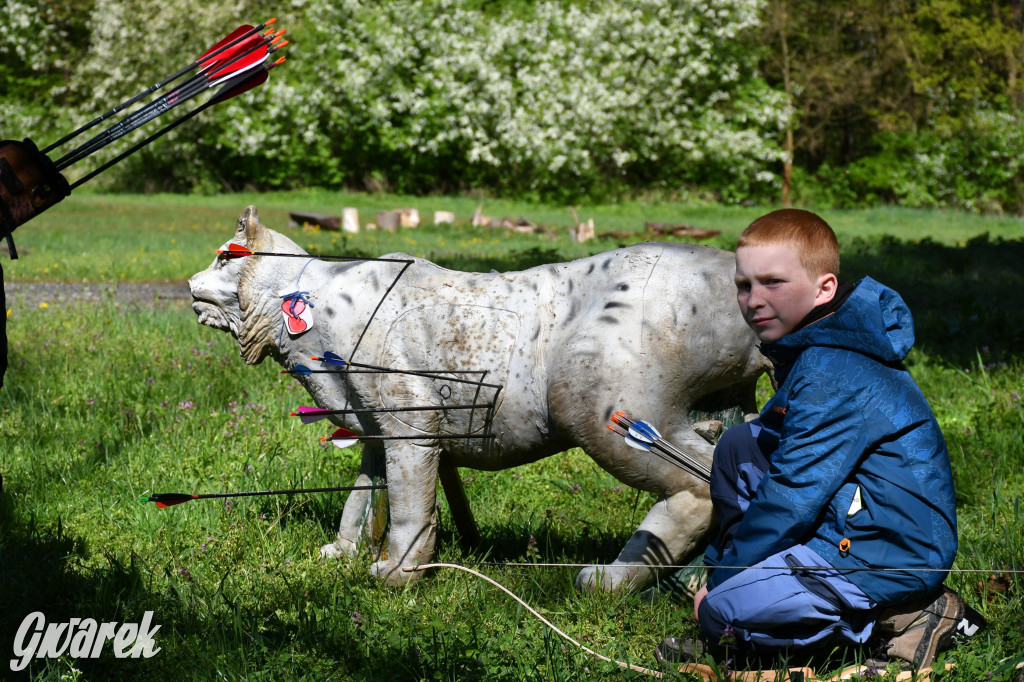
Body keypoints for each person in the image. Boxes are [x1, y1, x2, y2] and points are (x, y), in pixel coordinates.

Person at [656, 209, 985, 671]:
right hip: (854, 523)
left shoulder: (832, 368)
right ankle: (763, 601)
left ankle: (913, 616)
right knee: (739, 445)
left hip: (892, 552)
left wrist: (724, 579)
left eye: (773, 282)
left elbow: (793, 493)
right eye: (744, 284)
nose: (753, 299)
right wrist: (725, 564)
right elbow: (771, 460)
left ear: (825, 288)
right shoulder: (813, 349)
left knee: (721, 613)